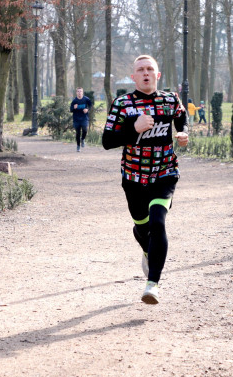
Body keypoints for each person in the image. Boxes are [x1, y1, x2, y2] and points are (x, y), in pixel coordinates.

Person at [102, 55, 188, 304]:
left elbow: (181, 117)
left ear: (158, 75)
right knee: (143, 227)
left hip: (165, 172)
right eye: (141, 70)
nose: (146, 73)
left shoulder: (170, 99)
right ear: (134, 77)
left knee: (158, 222)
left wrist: (183, 132)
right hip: (133, 177)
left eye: (150, 69)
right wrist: (134, 128)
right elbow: (107, 141)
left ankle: (152, 285)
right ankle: (147, 250)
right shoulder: (122, 103)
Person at [71, 86, 93, 152]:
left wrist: (87, 109)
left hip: (84, 118)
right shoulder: (74, 101)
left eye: (80, 91)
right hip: (76, 119)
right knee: (78, 133)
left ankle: (82, 139)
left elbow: (91, 105)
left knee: (85, 130)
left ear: (82, 92)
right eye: (78, 91)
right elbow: (70, 109)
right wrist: (73, 108)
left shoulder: (86, 99)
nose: (79, 93)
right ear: (76, 93)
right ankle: (78, 146)